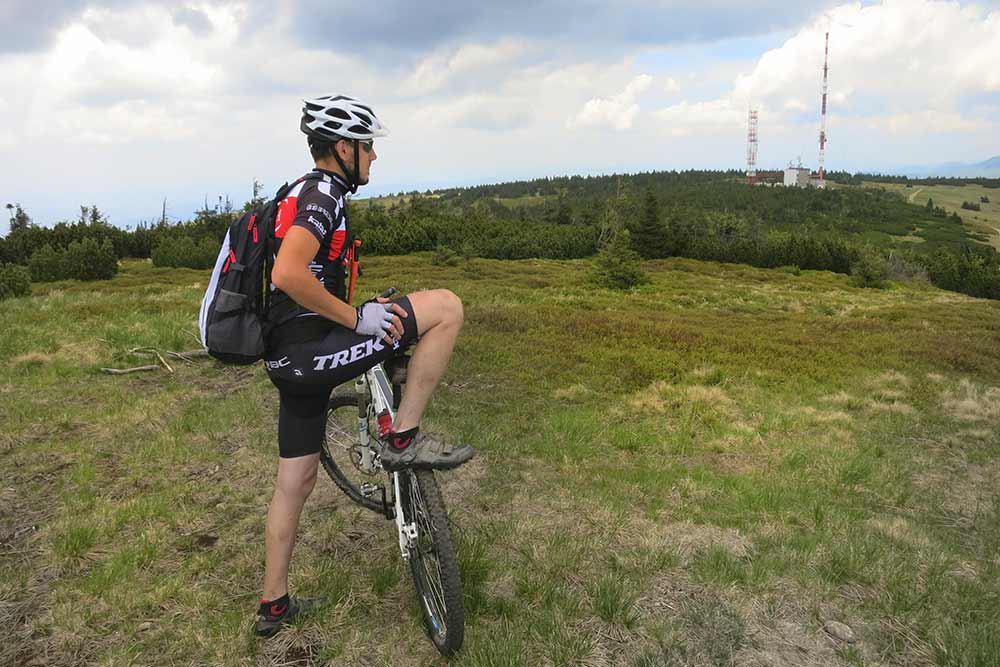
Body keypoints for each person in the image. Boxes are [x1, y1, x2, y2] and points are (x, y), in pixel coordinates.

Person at [254, 95, 475, 638]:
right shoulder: (323, 195)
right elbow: (287, 273)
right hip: (314, 352)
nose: (375, 157)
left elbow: (300, 280)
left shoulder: (296, 192)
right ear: (342, 148)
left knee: (294, 482)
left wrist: (357, 312)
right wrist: (357, 318)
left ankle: (273, 605)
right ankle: (402, 438)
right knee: (445, 308)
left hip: (289, 358)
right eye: (368, 145)